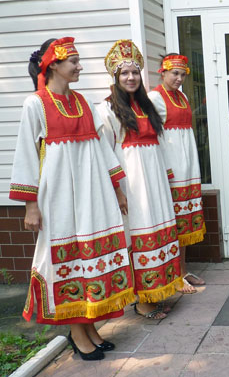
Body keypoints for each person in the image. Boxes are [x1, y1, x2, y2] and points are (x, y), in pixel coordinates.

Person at [10, 37, 135, 360]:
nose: (80, 66)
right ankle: (77, 332)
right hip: (60, 195)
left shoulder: (83, 102)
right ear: (53, 64)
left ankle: (89, 326)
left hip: (93, 192)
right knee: (68, 258)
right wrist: (31, 205)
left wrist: (117, 189)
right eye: (74, 61)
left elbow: (102, 148)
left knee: (89, 258)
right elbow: (26, 155)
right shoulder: (36, 104)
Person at [96, 39, 183, 320]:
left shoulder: (146, 106)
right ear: (115, 76)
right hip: (132, 184)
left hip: (155, 181)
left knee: (158, 232)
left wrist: (167, 179)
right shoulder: (107, 110)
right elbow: (104, 153)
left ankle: (155, 293)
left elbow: (160, 145)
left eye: (134, 72)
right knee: (138, 234)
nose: (131, 77)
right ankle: (141, 301)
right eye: (124, 73)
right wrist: (117, 190)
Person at [148, 53, 206, 293]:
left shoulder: (182, 96)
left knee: (185, 220)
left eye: (182, 74)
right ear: (163, 72)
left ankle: (182, 270)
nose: (179, 78)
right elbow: (153, 136)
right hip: (171, 164)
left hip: (187, 163)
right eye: (175, 73)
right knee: (172, 220)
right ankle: (174, 274)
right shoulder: (154, 97)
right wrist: (164, 167)